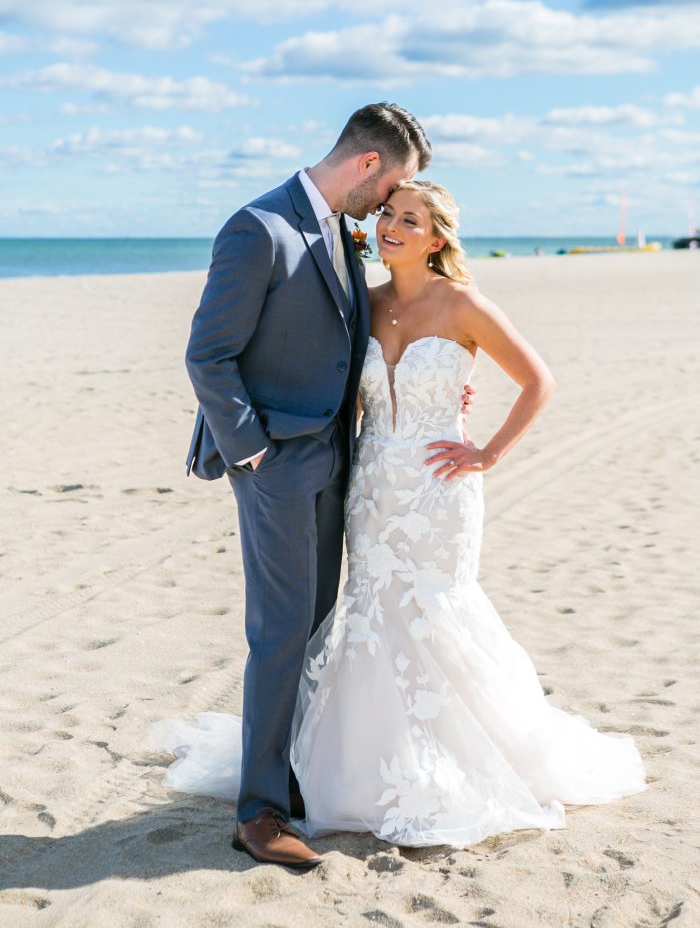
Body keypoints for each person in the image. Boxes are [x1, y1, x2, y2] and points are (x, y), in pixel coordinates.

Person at [152, 178, 647, 853]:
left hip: (440, 490)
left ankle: (453, 760)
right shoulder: (365, 303)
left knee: (436, 609)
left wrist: (488, 451)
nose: (391, 225)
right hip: (373, 484)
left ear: (437, 238)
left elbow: (539, 380)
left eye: (410, 219)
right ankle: (348, 767)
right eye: (387, 212)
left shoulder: (465, 305)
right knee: (371, 610)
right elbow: (339, 391)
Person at [162, 105, 467, 870]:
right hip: (278, 469)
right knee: (279, 634)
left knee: (322, 629)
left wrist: (426, 388)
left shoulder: (334, 227)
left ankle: (296, 777)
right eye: (393, 185)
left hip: (344, 463)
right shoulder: (258, 228)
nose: (391, 205)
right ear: (370, 166)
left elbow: (347, 339)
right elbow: (209, 356)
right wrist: (255, 457)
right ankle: (260, 813)